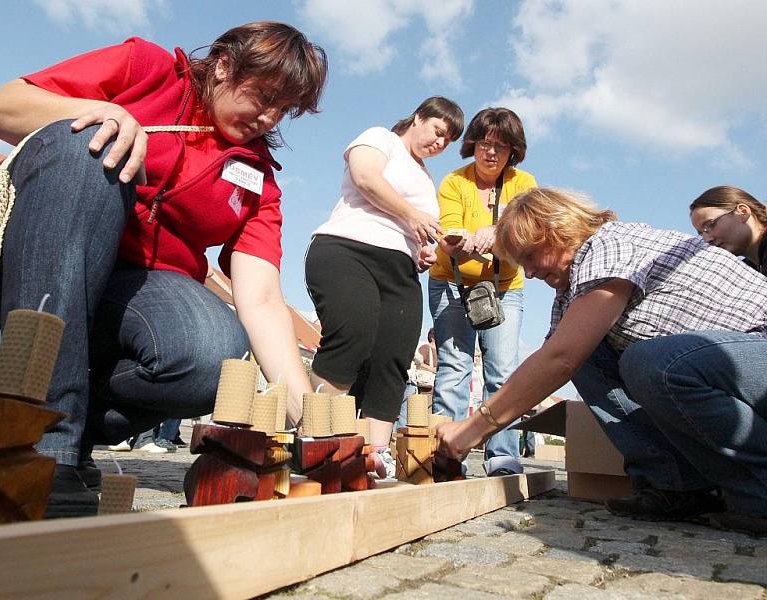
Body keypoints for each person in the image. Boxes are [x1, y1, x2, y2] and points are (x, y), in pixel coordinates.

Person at [0, 22, 328, 517]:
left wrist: (313, 422)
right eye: (264, 95)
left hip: (131, 300)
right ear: (225, 64)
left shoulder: (259, 183)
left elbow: (263, 301)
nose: (268, 117)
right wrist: (103, 113)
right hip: (40, 260)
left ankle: (68, 426)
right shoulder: (146, 67)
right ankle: (39, 444)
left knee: (213, 352)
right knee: (89, 145)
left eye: (283, 110)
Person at [436, 188, 767, 535]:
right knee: (592, 354)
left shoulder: (609, 245)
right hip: (735, 366)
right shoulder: (572, 290)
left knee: (653, 362)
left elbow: (560, 359)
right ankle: (676, 485)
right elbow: (550, 361)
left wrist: (470, 431)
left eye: (530, 256)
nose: (530, 273)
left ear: (556, 229)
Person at [305, 97, 464, 472]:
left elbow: (419, 231)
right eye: (438, 131)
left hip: (400, 268)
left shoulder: (427, 179)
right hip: (349, 249)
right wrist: (412, 214)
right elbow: (366, 178)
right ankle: (315, 436)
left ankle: (374, 454)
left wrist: (424, 252)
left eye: (448, 141)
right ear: (419, 117)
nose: (440, 144)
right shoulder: (380, 139)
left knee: (392, 357)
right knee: (353, 332)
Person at [428, 107, 537, 477]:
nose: (491, 153)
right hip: (451, 284)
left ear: (513, 153)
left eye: (501, 147)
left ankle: (502, 454)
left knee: (502, 372)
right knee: (453, 368)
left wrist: (499, 233)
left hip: (505, 287)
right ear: (472, 144)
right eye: (484, 144)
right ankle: (444, 453)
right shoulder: (453, 182)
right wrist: (458, 242)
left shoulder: (525, 184)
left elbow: (525, 229)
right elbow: (449, 231)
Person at [689, 186, 767, 274]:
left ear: (743, 212)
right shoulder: (746, 273)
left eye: (710, 224)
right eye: (701, 233)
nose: (707, 239)